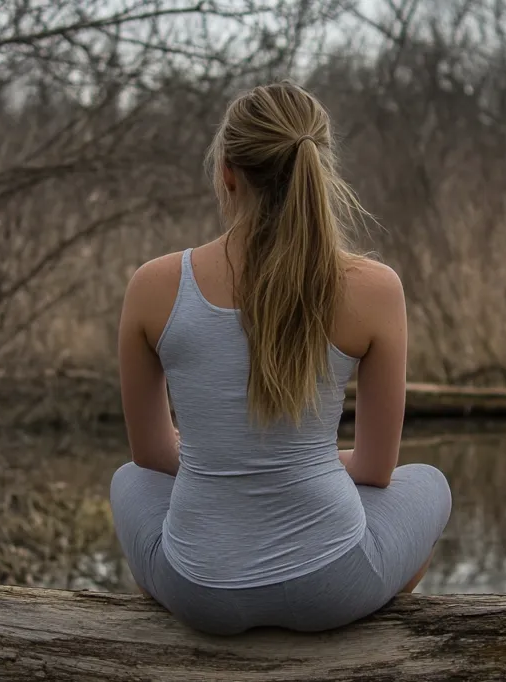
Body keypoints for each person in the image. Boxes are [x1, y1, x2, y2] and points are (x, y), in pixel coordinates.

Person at [109, 80, 452, 636]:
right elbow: (375, 469)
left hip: (200, 593)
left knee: (127, 479)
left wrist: (233, 463)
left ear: (227, 172)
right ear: (319, 166)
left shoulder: (154, 286)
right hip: (333, 585)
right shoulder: (374, 288)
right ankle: (353, 629)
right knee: (429, 482)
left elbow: (152, 455)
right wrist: (304, 466)